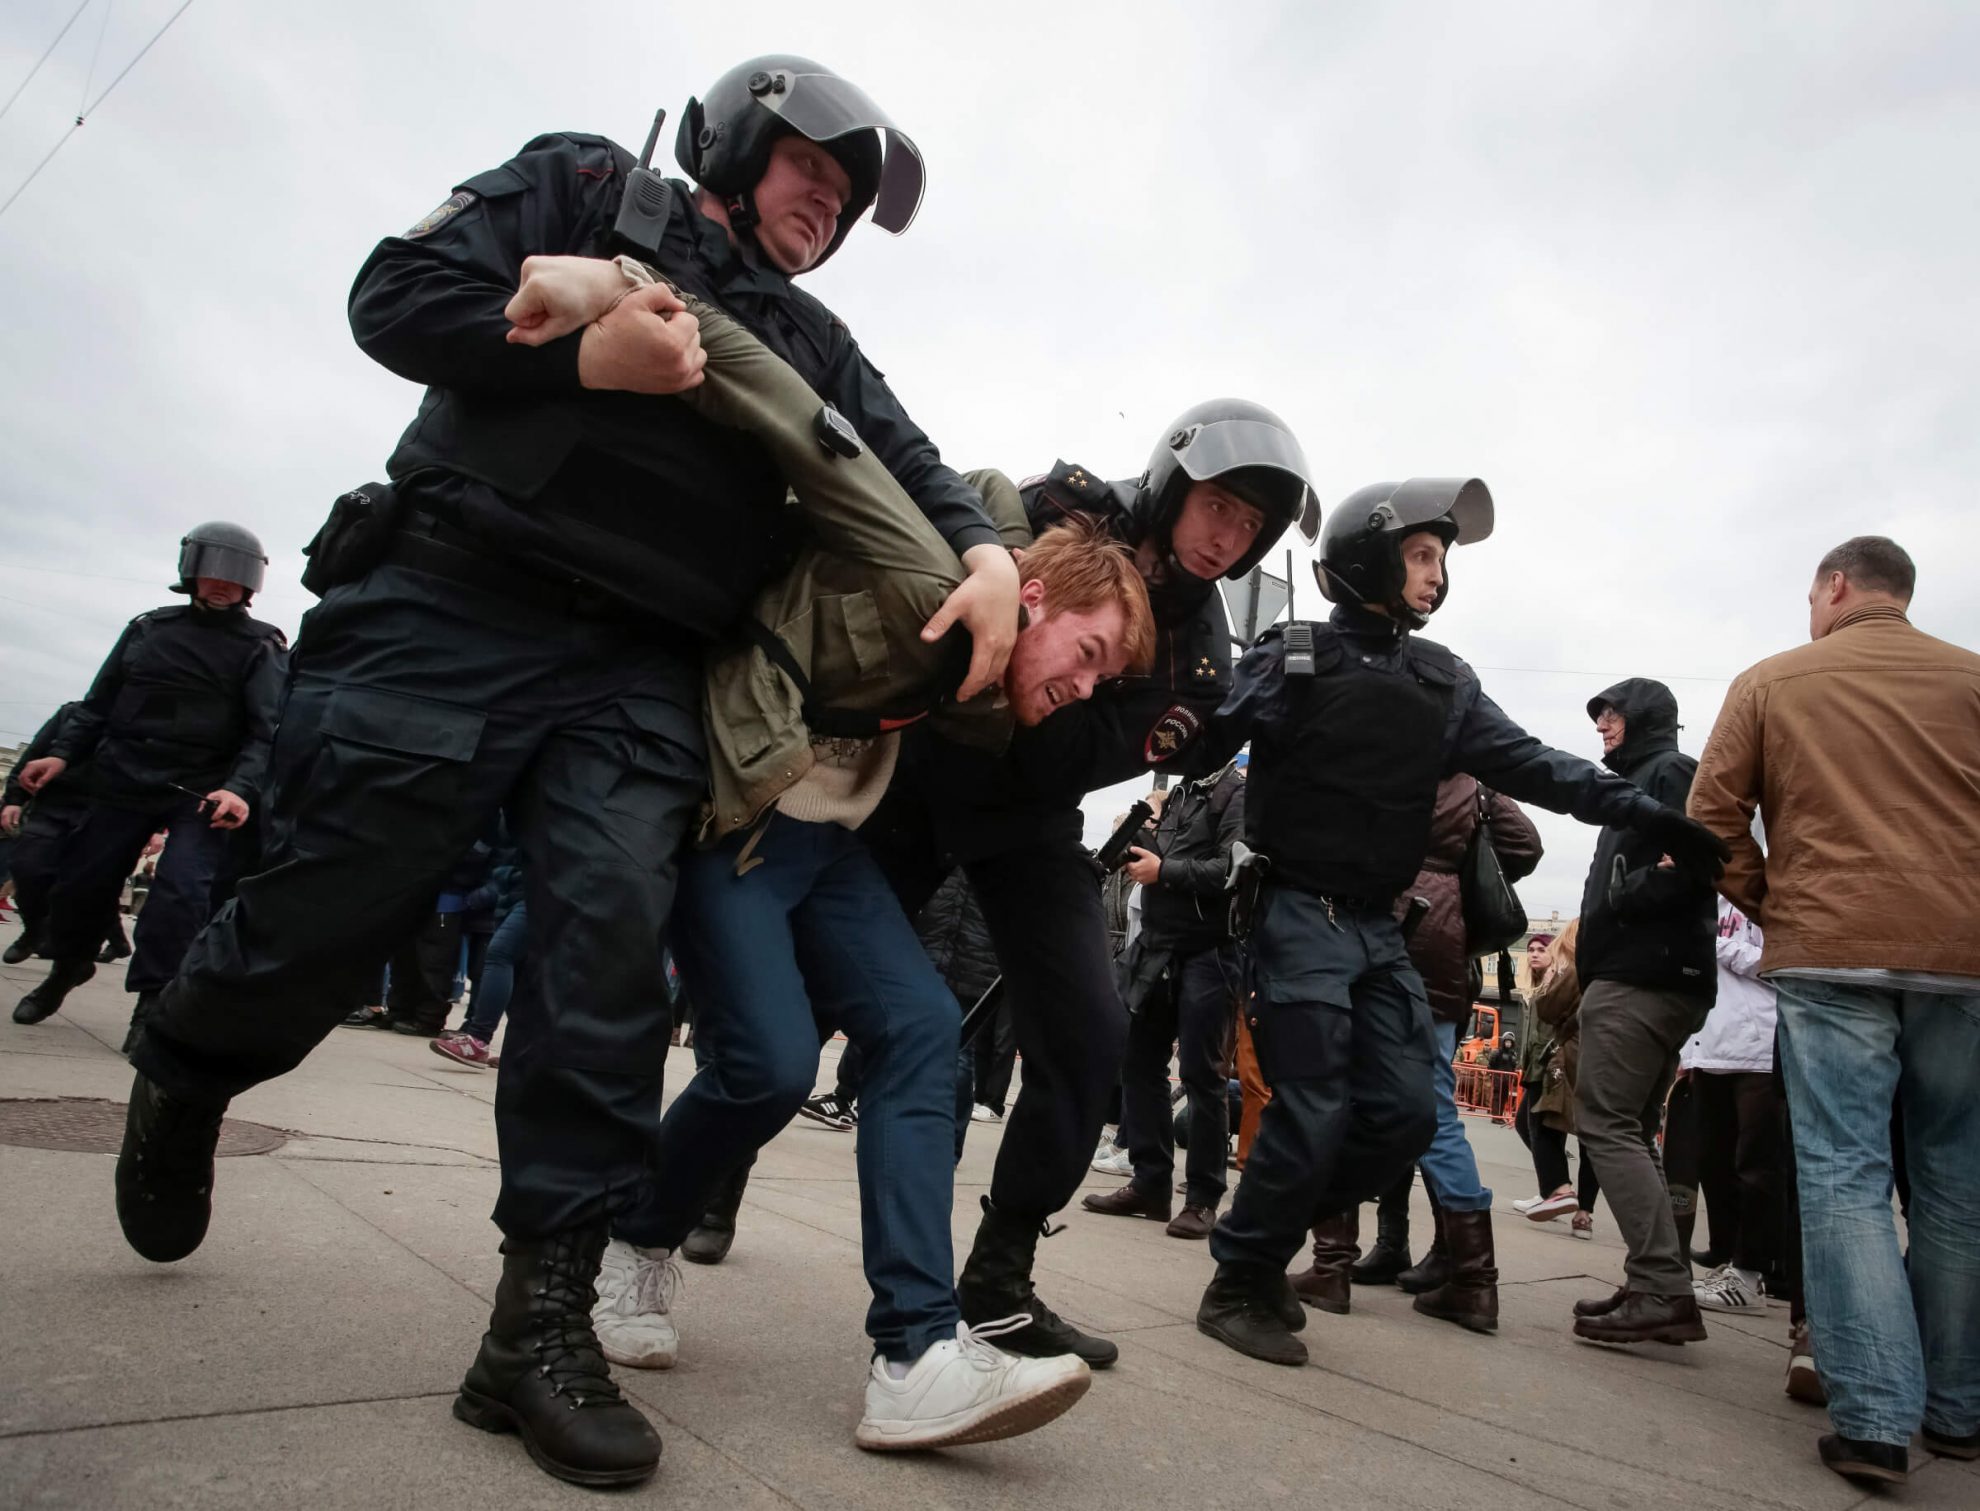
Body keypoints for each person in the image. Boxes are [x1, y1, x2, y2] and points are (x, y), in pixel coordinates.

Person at [107, 55, 1023, 1491]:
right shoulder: (582, 187)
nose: (823, 206)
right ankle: (192, 1055)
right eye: (809, 171)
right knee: (334, 909)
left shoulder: (811, 336)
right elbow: (390, 299)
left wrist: (984, 558)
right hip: (454, 601)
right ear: (737, 140)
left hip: (645, 667)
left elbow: (906, 460)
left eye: (846, 200)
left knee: (601, 965)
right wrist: (575, 353)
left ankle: (537, 1324)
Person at [603, 515, 1153, 1447]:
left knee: (924, 1033)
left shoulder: (997, 677)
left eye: (1106, 676)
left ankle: (914, 1354)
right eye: (1089, 652)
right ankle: (635, 1239)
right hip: (743, 819)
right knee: (771, 1063)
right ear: (1031, 597)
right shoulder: (936, 585)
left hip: (830, 843)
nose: (1087, 687)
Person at [1178, 477, 1728, 1368]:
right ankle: (1242, 1277)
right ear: (1367, 556)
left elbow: (1538, 765)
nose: (1437, 576)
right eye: (1423, 555)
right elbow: (1202, 735)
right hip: (1293, 916)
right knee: (1314, 1105)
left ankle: (1261, 1229)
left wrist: (1644, 810)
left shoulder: (1443, 682)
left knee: (1399, 1115)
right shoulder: (1294, 656)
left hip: (1379, 928)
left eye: (1441, 560)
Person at [858, 401, 1320, 1369]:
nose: (1226, 536)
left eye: (1250, 528)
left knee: (1089, 1035)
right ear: (1176, 480)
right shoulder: (1056, 507)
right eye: (1219, 506)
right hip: (910, 779)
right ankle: (707, 1185)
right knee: (817, 989)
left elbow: (1069, 753)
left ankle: (998, 1278)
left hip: (1028, 818)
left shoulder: (1202, 655)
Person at [1687, 535, 1980, 1486]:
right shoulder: (1970, 678)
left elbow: (1710, 819)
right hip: (1966, 958)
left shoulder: (1773, 680)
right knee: (1955, 1182)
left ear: (1836, 587)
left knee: (1846, 1175)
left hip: (1832, 951)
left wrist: (1779, 902)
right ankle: (1958, 1409)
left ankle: (1876, 1420)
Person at [11, 526, 285, 1053]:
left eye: (235, 575)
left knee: (180, 892)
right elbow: (97, 705)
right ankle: (69, 967)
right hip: (125, 777)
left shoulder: (261, 645)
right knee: (78, 885)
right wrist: (61, 753)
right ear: (192, 572)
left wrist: (239, 789)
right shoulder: (147, 629)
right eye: (213, 572)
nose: (223, 583)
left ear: (251, 583)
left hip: (201, 791)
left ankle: (152, 1001)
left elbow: (266, 731)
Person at [1287, 774, 1542, 1331]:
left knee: (1340, 1099)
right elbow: (1526, 844)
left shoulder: (1386, 754)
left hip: (1375, 926)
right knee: (1436, 1111)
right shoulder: (1474, 782)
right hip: (1443, 940)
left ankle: (1332, 1265)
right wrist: (1459, 866)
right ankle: (1474, 1279)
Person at [1567, 679, 1720, 1346]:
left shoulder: (1669, 771)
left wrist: (1628, 892)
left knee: (1602, 1121)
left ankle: (1661, 1282)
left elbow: (1698, 856)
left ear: (1646, 717)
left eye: (1612, 712)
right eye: (1599, 714)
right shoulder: (1645, 778)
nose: (1602, 723)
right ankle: (1662, 1280)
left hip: (1645, 974)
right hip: (1649, 972)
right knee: (1627, 1125)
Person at [1083, 757, 1247, 1239]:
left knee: (1203, 1074)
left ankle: (1201, 1199)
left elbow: (1231, 870)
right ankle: (1150, 1181)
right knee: (1139, 1062)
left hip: (1209, 950)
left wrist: (1164, 870)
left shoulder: (1236, 789)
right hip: (1157, 946)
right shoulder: (1182, 792)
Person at [1681, 897, 1785, 1312]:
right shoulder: (1707, 899)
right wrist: (1687, 1053)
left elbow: (1776, 964)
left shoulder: (1763, 897)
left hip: (1759, 1047)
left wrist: (1717, 945)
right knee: (1713, 1163)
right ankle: (1728, 1258)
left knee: (1757, 1166)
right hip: (1709, 1047)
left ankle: (1752, 1272)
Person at [1517, 919, 1600, 1240]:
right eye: (1532, 950)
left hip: (1563, 1061)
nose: (1537, 954)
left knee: (1544, 1124)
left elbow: (1550, 1010)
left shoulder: (1573, 970)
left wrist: (1552, 980)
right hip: (1590, 1061)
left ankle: (1561, 1191)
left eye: (1544, 948)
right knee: (1574, 1133)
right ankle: (1569, 1200)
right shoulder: (1600, 969)